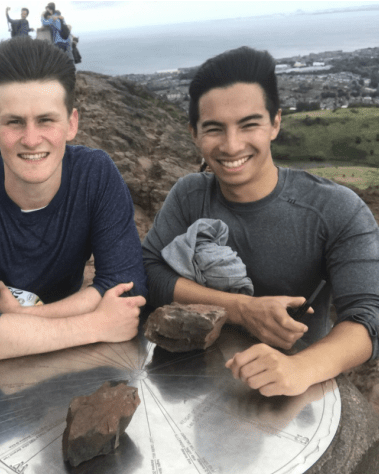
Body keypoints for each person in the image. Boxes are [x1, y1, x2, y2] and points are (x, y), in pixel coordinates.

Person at [142, 46, 378, 397]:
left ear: (275, 123)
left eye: (248, 124)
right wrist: (242, 309)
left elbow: (368, 316)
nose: (232, 145)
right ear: (194, 134)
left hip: (291, 392)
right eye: (214, 129)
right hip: (188, 384)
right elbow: (150, 270)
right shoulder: (190, 195)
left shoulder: (335, 209)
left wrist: (301, 367)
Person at [0, 37, 147, 364]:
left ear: (71, 124)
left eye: (46, 120)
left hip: (60, 357)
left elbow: (128, 288)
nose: (31, 139)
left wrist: (19, 319)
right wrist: (96, 324)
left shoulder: (95, 175)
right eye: (14, 122)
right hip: (0, 378)